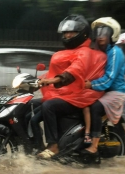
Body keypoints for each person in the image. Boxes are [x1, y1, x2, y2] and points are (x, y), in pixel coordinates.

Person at [35, 14, 107, 159]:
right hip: (64, 93)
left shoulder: (85, 52)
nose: (68, 35)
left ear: (83, 33)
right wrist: (37, 79)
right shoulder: (66, 52)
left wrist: (54, 80)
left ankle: (53, 146)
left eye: (72, 32)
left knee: (48, 106)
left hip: (78, 96)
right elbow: (53, 71)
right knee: (31, 107)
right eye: (66, 32)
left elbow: (75, 70)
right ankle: (33, 146)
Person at [81, 17, 125, 155]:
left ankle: (94, 146)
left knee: (95, 108)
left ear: (112, 34)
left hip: (116, 92)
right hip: (103, 90)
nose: (100, 36)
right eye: (98, 32)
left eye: (104, 32)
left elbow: (108, 79)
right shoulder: (98, 50)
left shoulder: (114, 52)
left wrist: (90, 84)